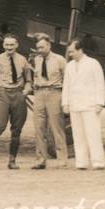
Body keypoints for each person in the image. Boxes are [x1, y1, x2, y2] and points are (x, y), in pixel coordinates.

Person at [0, 33, 32, 171]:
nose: (9, 47)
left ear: (17, 45)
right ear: (3, 45)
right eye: (6, 45)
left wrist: (24, 92)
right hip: (2, 94)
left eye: (12, 45)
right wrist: (0, 90)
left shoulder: (23, 60)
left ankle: (12, 161)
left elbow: (28, 80)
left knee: (17, 129)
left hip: (18, 94)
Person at [62, 38, 105, 170]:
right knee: (78, 135)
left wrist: (100, 102)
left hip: (90, 105)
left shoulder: (93, 63)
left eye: (72, 52)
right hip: (75, 105)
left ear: (80, 50)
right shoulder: (69, 66)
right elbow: (66, 86)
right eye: (69, 52)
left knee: (93, 134)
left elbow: (100, 84)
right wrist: (65, 103)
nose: (70, 55)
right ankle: (81, 162)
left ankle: (98, 162)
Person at [31, 34, 69, 169]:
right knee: (39, 127)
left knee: (56, 127)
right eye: (38, 48)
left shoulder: (59, 60)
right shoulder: (37, 59)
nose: (40, 50)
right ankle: (40, 159)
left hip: (54, 93)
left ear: (49, 45)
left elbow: (67, 79)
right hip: (39, 93)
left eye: (42, 47)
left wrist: (64, 95)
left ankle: (62, 159)